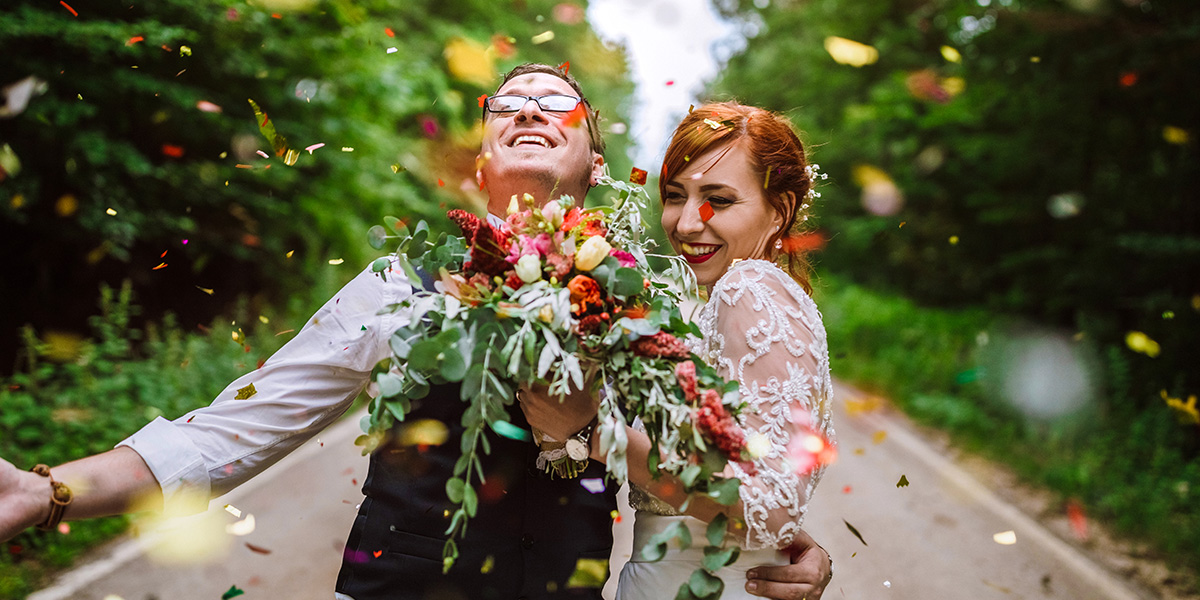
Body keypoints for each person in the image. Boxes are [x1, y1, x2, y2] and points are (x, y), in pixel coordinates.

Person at [0, 66, 832, 600]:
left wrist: (789, 541)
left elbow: (725, 456)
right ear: (480, 165)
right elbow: (238, 424)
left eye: (558, 103)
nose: (531, 108)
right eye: (507, 103)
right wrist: (49, 490)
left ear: (597, 165)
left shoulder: (651, 298)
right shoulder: (404, 281)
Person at [520, 101, 835, 600]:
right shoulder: (724, 303)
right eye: (675, 196)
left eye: (720, 200)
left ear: (779, 211)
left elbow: (768, 506)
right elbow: (759, 490)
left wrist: (591, 433)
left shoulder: (747, 287)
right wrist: (792, 542)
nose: (688, 223)